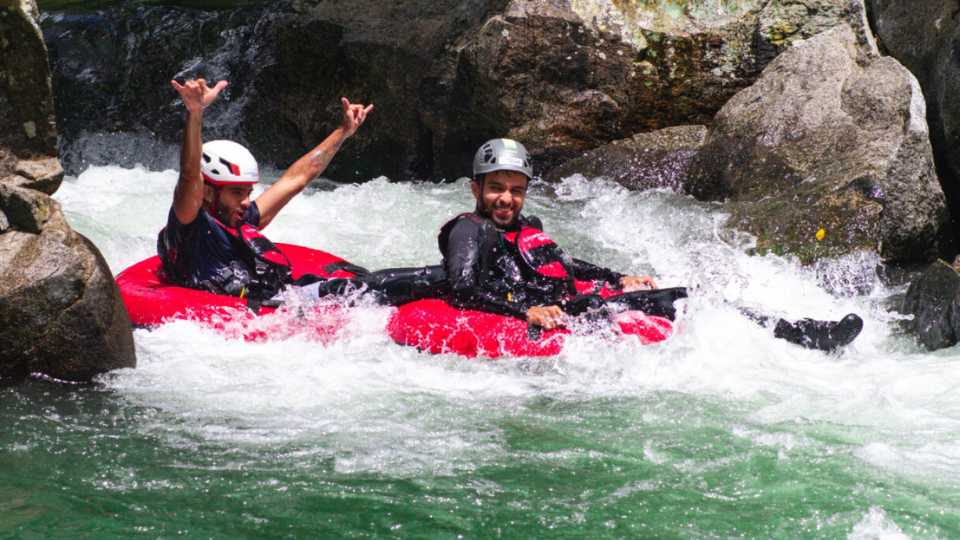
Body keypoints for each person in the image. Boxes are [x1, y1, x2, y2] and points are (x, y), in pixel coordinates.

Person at [434, 138, 863, 351]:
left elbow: (561, 263)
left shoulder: (525, 226)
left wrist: (616, 277)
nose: (506, 199)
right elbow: (463, 290)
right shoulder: (470, 230)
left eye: (515, 189)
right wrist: (525, 311)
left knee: (693, 295)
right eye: (496, 189)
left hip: (569, 299)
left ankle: (798, 331)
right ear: (476, 189)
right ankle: (802, 335)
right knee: (684, 300)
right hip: (546, 311)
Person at [157, 78, 373, 303]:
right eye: (237, 192)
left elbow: (297, 178)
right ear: (208, 192)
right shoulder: (189, 225)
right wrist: (195, 112)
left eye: (248, 192)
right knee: (361, 290)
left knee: (368, 286)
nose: (246, 202)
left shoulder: (238, 218)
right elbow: (190, 174)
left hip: (281, 300)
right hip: (249, 313)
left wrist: (343, 131)